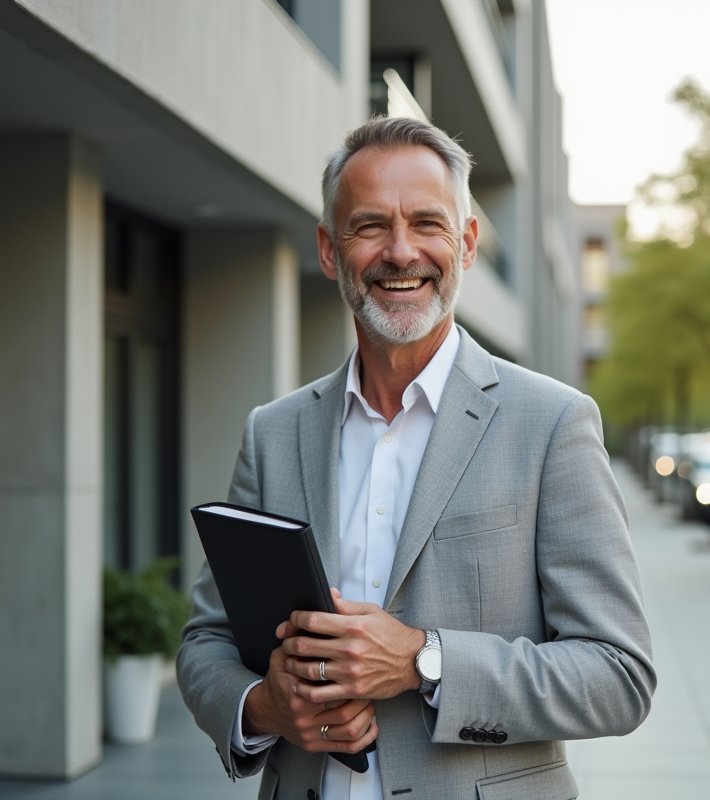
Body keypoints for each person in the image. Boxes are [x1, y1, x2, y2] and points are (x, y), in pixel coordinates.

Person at [178, 117, 654, 800]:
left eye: (427, 223)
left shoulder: (552, 424)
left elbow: (618, 676)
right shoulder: (272, 433)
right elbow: (205, 642)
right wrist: (264, 708)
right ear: (327, 249)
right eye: (369, 226)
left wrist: (423, 660)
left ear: (465, 244)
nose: (400, 252)